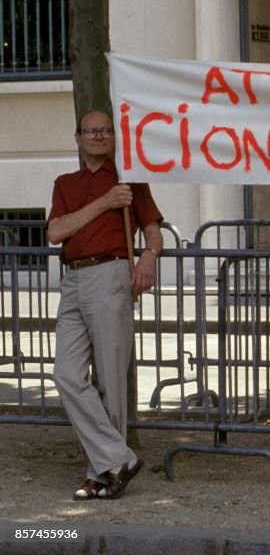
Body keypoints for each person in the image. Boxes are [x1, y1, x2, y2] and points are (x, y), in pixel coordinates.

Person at [47, 110, 164, 500]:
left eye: (105, 130)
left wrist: (148, 256)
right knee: (65, 373)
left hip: (111, 274)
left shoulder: (130, 176)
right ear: (77, 137)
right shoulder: (65, 183)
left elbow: (152, 229)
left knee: (111, 381)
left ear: (114, 137)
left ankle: (101, 473)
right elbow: (55, 232)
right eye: (90, 131)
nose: (98, 136)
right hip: (73, 278)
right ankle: (118, 459)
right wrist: (104, 202)